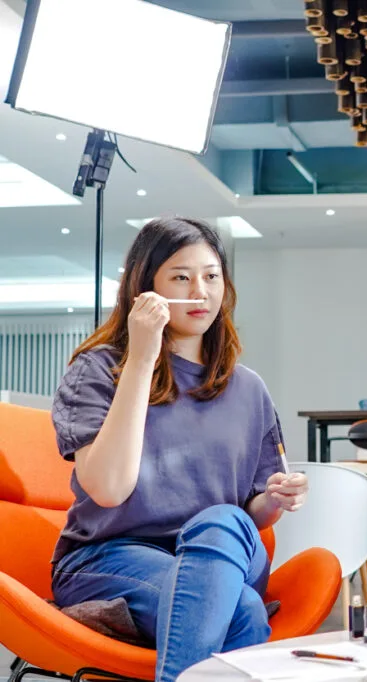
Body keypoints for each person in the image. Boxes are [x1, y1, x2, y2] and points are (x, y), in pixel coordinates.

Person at [50, 217, 308, 682]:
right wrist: (144, 356)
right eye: (180, 277)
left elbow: (253, 511)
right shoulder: (98, 370)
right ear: (144, 286)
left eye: (211, 276)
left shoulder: (248, 388)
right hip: (111, 557)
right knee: (244, 610)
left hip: (228, 551)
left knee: (223, 520)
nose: (200, 291)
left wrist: (274, 498)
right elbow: (109, 489)